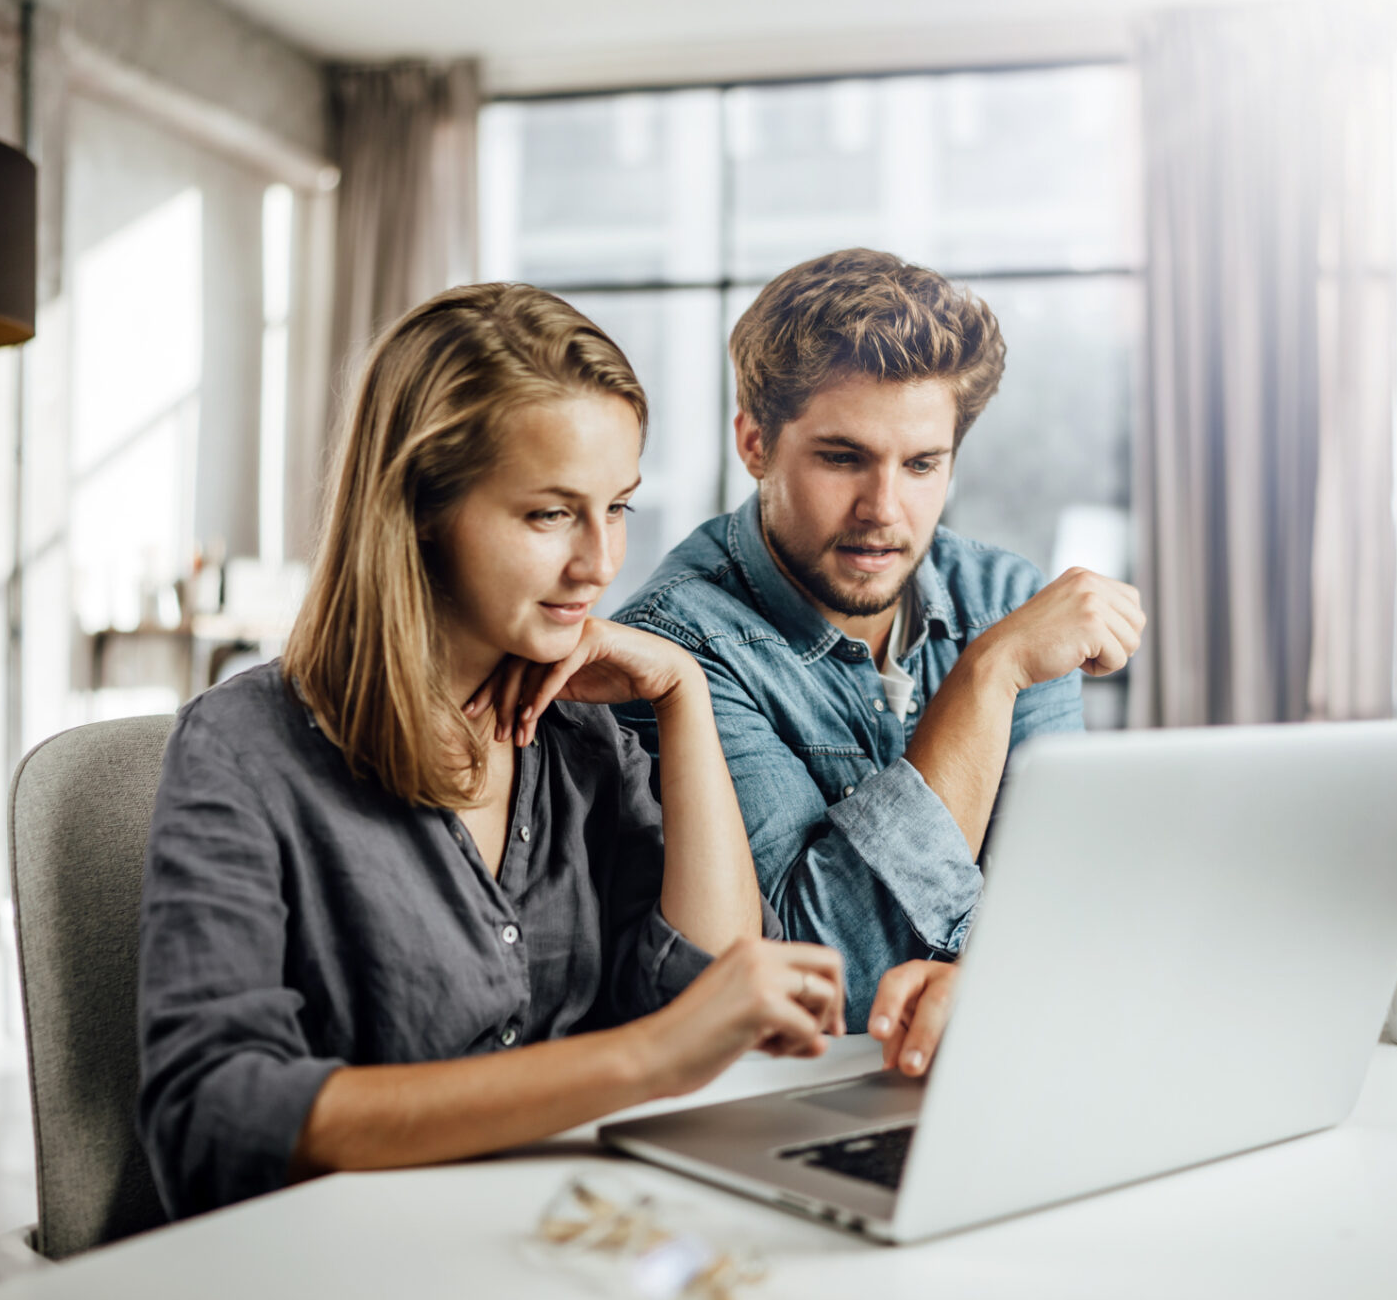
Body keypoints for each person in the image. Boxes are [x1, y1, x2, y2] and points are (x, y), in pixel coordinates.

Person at [135, 284, 952, 1219]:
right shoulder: (246, 751)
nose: (600, 563)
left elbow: (714, 981)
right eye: (550, 515)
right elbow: (212, 1119)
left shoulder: (578, 732)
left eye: (619, 508)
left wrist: (682, 692)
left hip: (572, 1234)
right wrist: (641, 1059)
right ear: (419, 510)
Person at [612, 249, 1146, 1022]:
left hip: (987, 1065)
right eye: (842, 458)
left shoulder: (1003, 598)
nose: (885, 509)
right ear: (755, 442)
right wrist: (986, 678)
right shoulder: (677, 649)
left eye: (923, 463)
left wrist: (988, 982)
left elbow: (1065, 910)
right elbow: (817, 984)